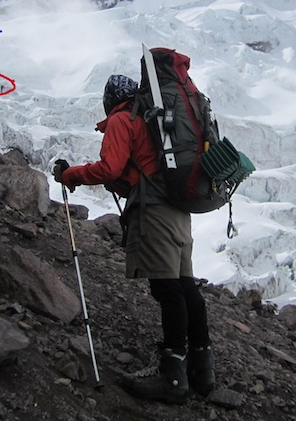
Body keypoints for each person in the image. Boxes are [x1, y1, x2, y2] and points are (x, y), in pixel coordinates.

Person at [52, 74, 215, 404]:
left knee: (167, 288)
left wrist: (70, 175)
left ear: (109, 101)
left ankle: (172, 375)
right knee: (183, 285)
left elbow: (109, 169)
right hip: (178, 209)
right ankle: (202, 370)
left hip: (155, 210)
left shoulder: (122, 120)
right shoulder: (153, 120)